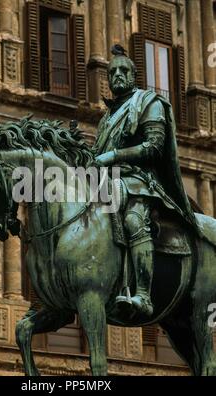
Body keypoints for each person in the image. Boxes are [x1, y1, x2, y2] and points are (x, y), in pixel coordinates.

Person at [92, 44, 199, 317]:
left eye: (123, 70)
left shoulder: (149, 102)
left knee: (133, 222)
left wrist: (113, 155)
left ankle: (142, 294)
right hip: (109, 182)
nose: (117, 75)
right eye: (112, 71)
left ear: (134, 75)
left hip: (140, 182)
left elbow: (153, 147)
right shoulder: (107, 117)